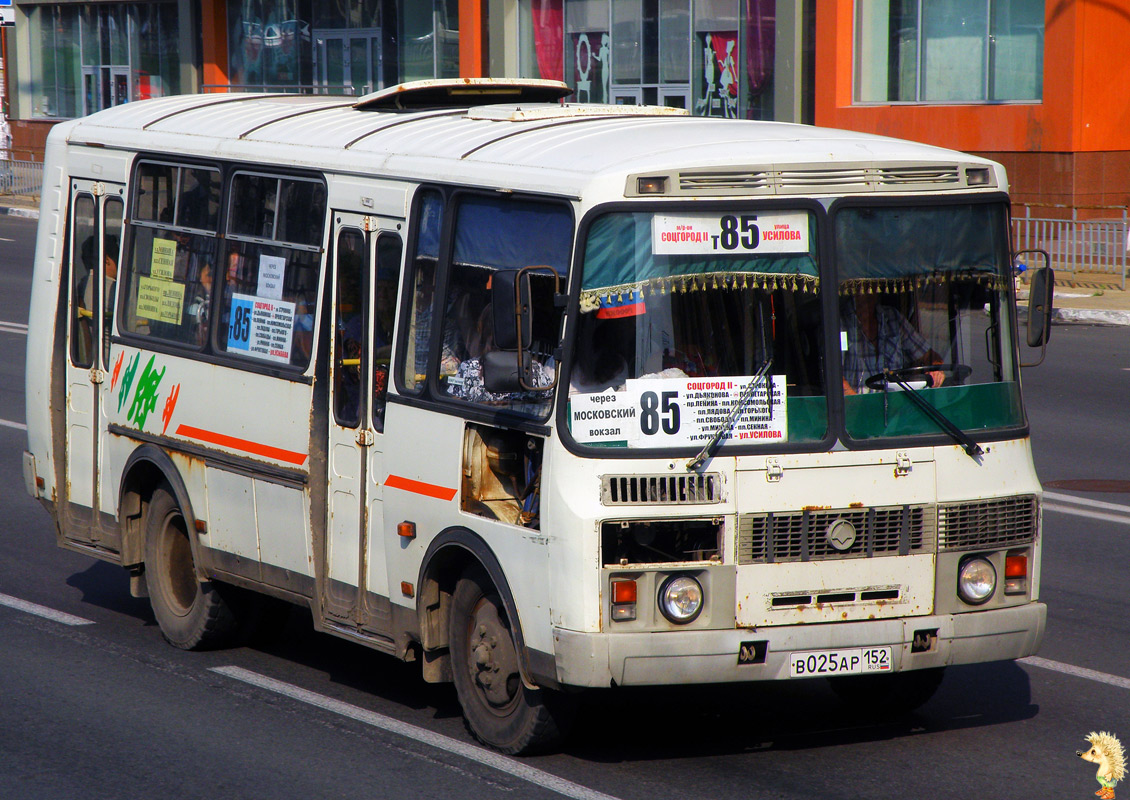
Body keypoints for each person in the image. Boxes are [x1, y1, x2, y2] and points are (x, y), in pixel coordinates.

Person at [841, 292, 946, 394]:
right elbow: (835, 378)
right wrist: (861, 406)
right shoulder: (840, 322)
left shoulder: (892, 318)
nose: (865, 295)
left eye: (869, 289)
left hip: (897, 406)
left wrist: (936, 371)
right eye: (860, 290)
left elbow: (930, 356)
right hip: (859, 408)